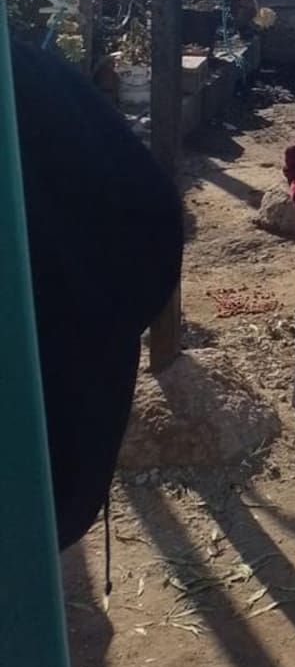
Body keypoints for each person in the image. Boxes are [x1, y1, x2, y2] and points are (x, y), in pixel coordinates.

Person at [10, 39, 183, 551]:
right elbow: (152, 212)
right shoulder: (30, 72)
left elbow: (149, 212)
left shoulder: (21, 77)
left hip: (52, 390)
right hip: (61, 416)